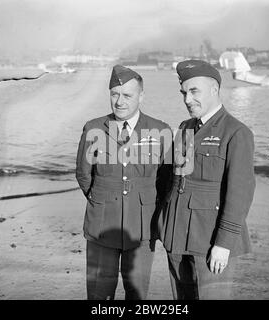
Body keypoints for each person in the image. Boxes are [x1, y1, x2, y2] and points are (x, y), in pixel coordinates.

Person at [160, 59, 256, 300]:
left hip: (210, 242)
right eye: (184, 92)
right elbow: (171, 181)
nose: (187, 100)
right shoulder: (185, 127)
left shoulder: (236, 132)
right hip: (176, 237)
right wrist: (163, 226)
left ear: (214, 89)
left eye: (194, 91)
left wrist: (223, 245)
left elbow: (239, 194)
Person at [76, 65, 172, 300]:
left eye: (127, 95)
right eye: (114, 94)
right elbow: (83, 173)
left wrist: (149, 204)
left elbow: (167, 180)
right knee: (99, 294)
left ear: (141, 96)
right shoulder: (94, 128)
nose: (119, 101)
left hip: (142, 228)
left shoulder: (161, 130)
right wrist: (103, 199)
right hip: (101, 226)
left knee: (137, 294)